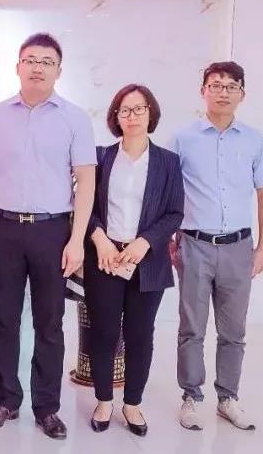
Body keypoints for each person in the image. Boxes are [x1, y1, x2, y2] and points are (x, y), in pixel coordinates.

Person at [0, 33, 96, 440]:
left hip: (52, 229)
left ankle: (47, 408)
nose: (38, 67)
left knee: (49, 322)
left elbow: (86, 180)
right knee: (4, 319)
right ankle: (5, 400)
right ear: (17, 66)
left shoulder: (75, 118)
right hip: (4, 228)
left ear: (59, 70)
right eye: (30, 59)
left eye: (47, 61)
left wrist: (76, 240)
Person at [171, 61, 263, 432]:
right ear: (203, 91)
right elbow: (168, 191)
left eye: (231, 86)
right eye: (215, 84)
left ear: (242, 94)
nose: (223, 91)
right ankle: (191, 396)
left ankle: (228, 398)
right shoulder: (182, 138)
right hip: (194, 244)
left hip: (238, 247)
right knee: (192, 327)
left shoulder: (253, 140)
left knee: (234, 330)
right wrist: (171, 237)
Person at [84, 84, 184, 437]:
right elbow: (84, 206)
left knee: (140, 334)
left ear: (150, 113)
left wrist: (145, 242)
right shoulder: (100, 158)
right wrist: (99, 239)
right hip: (106, 258)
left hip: (146, 260)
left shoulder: (168, 162)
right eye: (124, 110)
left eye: (139, 108)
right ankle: (103, 400)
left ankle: (132, 403)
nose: (132, 116)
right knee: (104, 332)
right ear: (116, 117)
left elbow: (175, 212)